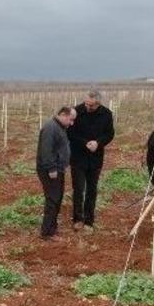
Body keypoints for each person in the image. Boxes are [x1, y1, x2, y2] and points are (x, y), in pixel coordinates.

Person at [67, 90, 115, 233]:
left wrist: (98, 143)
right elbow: (70, 133)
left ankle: (89, 220)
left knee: (92, 190)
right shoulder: (76, 111)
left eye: (92, 105)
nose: (88, 107)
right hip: (78, 157)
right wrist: (85, 143)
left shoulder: (106, 114)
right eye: (87, 103)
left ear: (98, 104)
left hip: (96, 158)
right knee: (78, 189)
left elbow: (110, 134)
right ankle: (77, 219)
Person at [36, 107, 76, 241]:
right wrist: (51, 169)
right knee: (52, 199)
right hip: (51, 171)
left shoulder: (59, 127)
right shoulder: (50, 128)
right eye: (71, 119)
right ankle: (47, 232)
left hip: (58, 169)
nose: (72, 123)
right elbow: (46, 150)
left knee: (57, 198)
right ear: (63, 115)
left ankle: (52, 227)